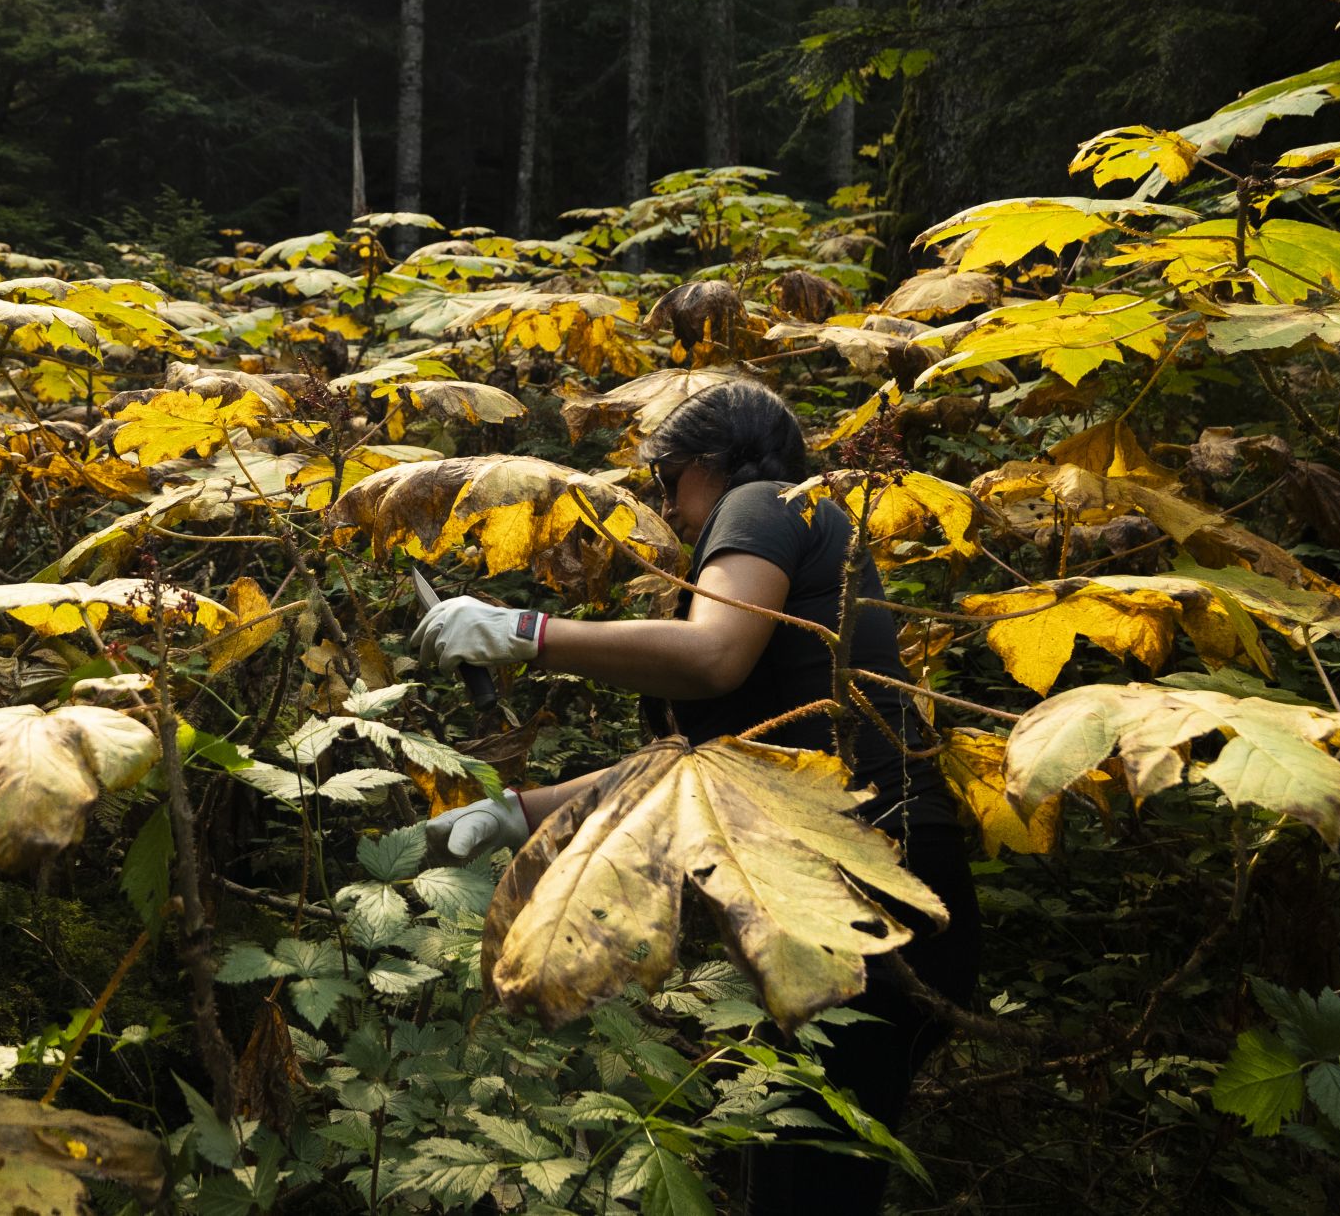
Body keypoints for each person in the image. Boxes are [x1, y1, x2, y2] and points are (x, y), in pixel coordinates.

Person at [407, 379, 979, 1215]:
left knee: (805, 1178)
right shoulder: (789, 539)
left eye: (667, 479)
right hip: (863, 888)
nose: (665, 507)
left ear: (714, 464)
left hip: (869, 879)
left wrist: (525, 633)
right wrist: (515, 813)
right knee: (804, 1172)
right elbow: (694, 764)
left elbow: (711, 655)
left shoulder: (764, 498)